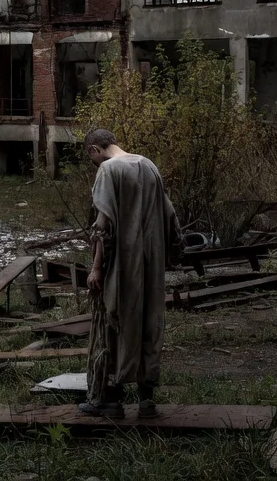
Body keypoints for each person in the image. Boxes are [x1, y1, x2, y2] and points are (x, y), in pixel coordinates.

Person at [78, 129, 183, 419]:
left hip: (122, 265)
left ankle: (112, 401)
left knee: (114, 322)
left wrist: (97, 268)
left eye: (92, 159)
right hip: (152, 265)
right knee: (149, 320)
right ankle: (147, 400)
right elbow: (170, 217)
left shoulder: (108, 171)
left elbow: (103, 225)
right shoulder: (149, 165)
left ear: (93, 150)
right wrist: (170, 256)